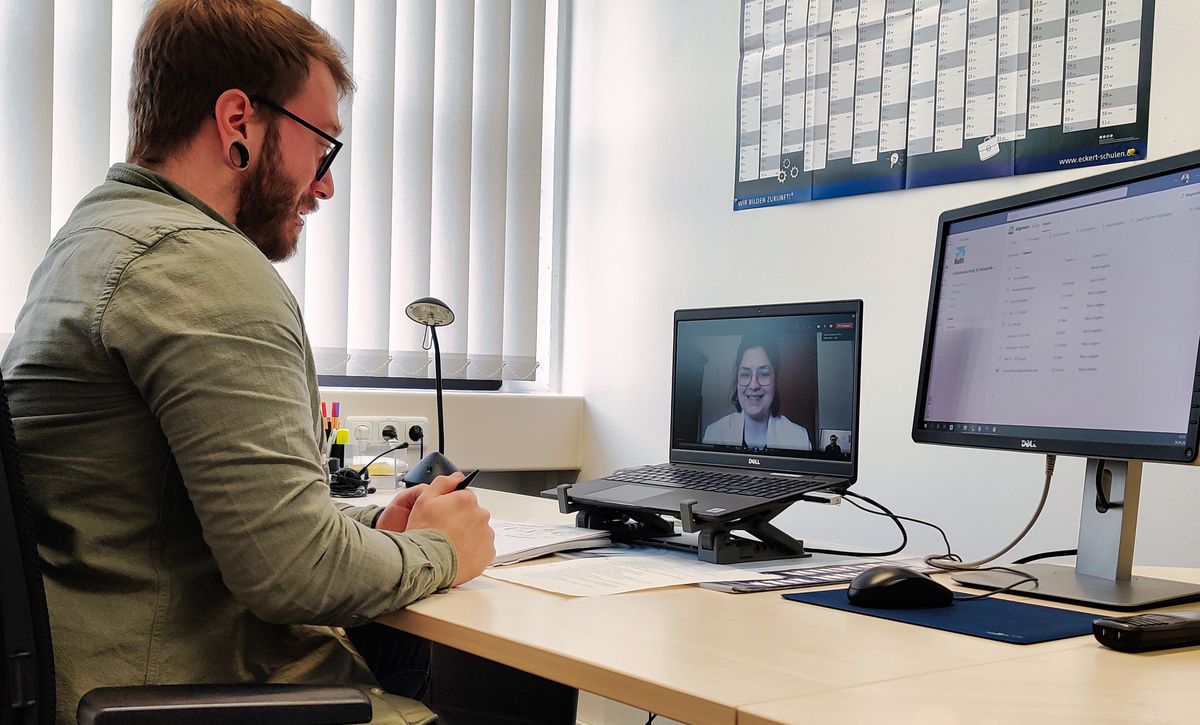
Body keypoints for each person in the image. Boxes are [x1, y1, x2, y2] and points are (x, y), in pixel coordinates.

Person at [0, 2, 494, 723]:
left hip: (99, 671)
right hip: (183, 690)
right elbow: (294, 573)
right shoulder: (199, 267)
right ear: (238, 122)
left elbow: (181, 518)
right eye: (322, 146)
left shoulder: (93, 238)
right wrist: (440, 549)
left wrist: (371, 537)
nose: (324, 184)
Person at [702, 336, 812, 451]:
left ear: (776, 378)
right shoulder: (714, 434)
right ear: (737, 379)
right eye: (745, 374)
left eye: (764, 374)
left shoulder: (799, 439)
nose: (754, 385)